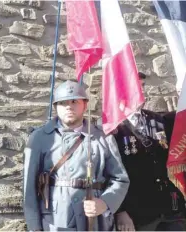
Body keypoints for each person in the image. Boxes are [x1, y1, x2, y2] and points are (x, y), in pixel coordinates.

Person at [23, 80, 130, 231]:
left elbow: (120, 179)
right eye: (63, 103)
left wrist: (105, 203)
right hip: (57, 220)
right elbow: (30, 188)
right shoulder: (40, 138)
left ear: (85, 105)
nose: (69, 106)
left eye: (74, 101)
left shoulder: (103, 137)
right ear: (56, 107)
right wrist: (35, 227)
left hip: (96, 222)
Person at [111, 72, 186, 231]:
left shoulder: (159, 120)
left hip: (170, 209)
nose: (142, 92)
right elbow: (108, 173)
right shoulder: (112, 128)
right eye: (136, 87)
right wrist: (120, 211)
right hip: (137, 213)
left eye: (143, 87)